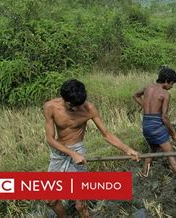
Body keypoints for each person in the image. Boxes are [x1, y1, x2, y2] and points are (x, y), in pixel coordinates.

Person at [44, 79, 140, 218]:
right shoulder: (51, 107)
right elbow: (50, 139)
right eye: (72, 106)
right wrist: (72, 154)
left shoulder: (89, 109)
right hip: (59, 153)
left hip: (78, 150)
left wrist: (127, 149)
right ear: (63, 98)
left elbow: (106, 134)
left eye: (79, 105)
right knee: (50, 200)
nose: (76, 109)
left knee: (80, 205)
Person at [132, 66, 176, 187]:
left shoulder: (147, 88)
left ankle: (143, 175)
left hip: (146, 125)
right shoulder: (165, 94)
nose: (172, 87)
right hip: (156, 127)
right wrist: (173, 134)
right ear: (167, 81)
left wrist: (145, 108)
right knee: (171, 156)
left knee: (152, 150)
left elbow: (135, 95)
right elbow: (164, 117)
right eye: (172, 84)